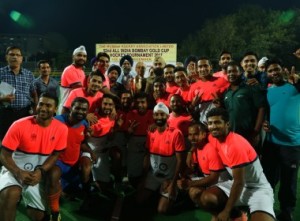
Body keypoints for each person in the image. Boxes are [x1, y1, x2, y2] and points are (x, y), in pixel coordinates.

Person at [0, 92, 68, 221]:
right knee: (10, 194)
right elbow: (4, 154)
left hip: (37, 174)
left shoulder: (61, 129)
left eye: (48, 105)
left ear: (55, 109)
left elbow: (56, 154)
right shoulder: (19, 125)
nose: (43, 108)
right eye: (41, 104)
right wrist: (18, 172)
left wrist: (41, 171)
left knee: (38, 216)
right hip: (14, 170)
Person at [200, 107, 275, 221]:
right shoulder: (213, 137)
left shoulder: (235, 145)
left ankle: (233, 213)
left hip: (257, 189)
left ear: (227, 124)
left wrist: (226, 211)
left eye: (217, 122)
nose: (213, 126)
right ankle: (238, 216)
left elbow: (239, 182)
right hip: (237, 185)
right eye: (210, 123)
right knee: (207, 198)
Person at [261, 58, 300, 221]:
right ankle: (266, 208)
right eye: (270, 71)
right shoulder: (267, 92)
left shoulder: (295, 88)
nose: (274, 73)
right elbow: (267, 114)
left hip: (291, 144)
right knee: (268, 179)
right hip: (271, 143)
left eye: (276, 69)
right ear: (267, 74)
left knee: (288, 180)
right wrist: (265, 123)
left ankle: (287, 210)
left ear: (282, 70)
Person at [46, 97, 92, 220]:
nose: (80, 111)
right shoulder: (56, 121)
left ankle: (87, 197)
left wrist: (91, 152)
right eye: (77, 108)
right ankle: (54, 211)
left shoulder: (84, 123)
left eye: (84, 109)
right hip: (59, 161)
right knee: (53, 175)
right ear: (71, 107)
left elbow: (81, 142)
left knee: (86, 168)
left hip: (75, 161)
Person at [136, 102, 186, 214]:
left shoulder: (176, 133)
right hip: (154, 175)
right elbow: (147, 156)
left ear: (168, 116)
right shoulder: (151, 132)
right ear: (153, 116)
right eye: (156, 114)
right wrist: (143, 179)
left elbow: (180, 161)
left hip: (169, 178)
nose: (159, 117)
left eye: (162, 114)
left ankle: (179, 195)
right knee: (139, 200)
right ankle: (158, 192)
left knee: (162, 210)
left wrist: (173, 183)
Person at [221, 61, 267, 150]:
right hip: (232, 135)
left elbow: (261, 108)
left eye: (234, 71)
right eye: (229, 72)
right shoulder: (226, 93)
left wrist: (256, 132)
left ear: (240, 72)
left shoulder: (250, 87)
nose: (231, 74)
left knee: (252, 161)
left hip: (250, 135)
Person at [0, 46, 37, 140]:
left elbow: (34, 94)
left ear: (21, 58)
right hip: (5, 113)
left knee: (24, 140)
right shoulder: (1, 73)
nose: (15, 57)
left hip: (24, 113)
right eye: (12, 54)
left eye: (17, 55)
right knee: (5, 140)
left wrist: (36, 111)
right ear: (6, 57)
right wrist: (2, 99)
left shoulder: (28, 74)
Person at [124, 92, 154, 187]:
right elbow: (126, 136)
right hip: (134, 146)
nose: (140, 105)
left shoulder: (153, 114)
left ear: (147, 103)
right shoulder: (131, 114)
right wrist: (129, 131)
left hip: (149, 146)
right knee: (133, 174)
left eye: (142, 102)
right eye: (138, 103)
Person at [188, 57, 229, 123]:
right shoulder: (193, 86)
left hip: (220, 122)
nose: (203, 69)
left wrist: (221, 105)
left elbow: (229, 102)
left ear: (211, 67)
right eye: (200, 67)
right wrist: (193, 105)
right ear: (197, 69)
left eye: (205, 66)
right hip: (202, 123)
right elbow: (190, 108)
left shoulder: (222, 81)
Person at [58, 45, 87, 114]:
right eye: (79, 55)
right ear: (73, 57)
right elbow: (79, 88)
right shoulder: (69, 69)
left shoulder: (81, 71)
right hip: (67, 109)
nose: (82, 58)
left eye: (84, 56)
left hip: (76, 107)